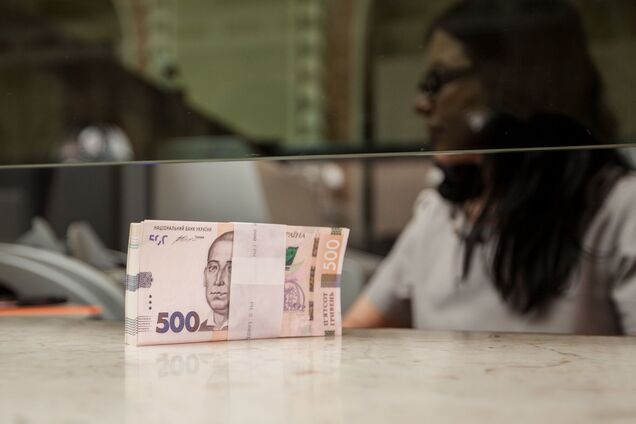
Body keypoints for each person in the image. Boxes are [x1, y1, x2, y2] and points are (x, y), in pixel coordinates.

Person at [344, 0, 636, 335]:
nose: (421, 104)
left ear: (513, 84)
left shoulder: (619, 211)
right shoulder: (442, 214)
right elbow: (355, 331)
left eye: (438, 80)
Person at [200, 231, 233, 331]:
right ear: (205, 277)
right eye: (213, 267)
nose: (218, 281)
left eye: (231, 269)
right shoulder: (199, 330)